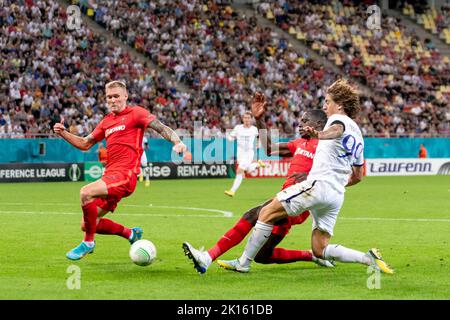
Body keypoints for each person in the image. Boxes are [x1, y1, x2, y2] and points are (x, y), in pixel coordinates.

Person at [216, 79, 394, 274]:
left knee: (266, 212)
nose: (325, 106)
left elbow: (335, 130)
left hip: (318, 186)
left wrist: (319, 134)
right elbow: (358, 176)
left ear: (340, 105)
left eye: (327, 101)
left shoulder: (339, 121)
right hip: (336, 195)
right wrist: (337, 184)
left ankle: (243, 262)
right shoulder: (358, 133)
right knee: (320, 249)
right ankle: (368, 259)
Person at [182, 93, 332, 274]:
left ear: (317, 125)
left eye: (305, 120)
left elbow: (338, 174)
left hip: (301, 201)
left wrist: (312, 179)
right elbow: (269, 149)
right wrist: (259, 120)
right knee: (263, 256)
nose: (299, 124)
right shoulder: (299, 143)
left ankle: (207, 257)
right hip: (286, 199)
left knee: (253, 214)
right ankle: (311, 255)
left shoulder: (326, 147)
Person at [53, 80, 187, 260]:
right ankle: (131, 234)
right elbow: (85, 143)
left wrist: (177, 142)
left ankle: (88, 243)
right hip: (110, 177)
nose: (112, 100)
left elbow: (161, 128)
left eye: (116, 96)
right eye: (109, 97)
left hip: (126, 175)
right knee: (88, 224)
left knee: (85, 193)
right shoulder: (107, 121)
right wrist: (63, 133)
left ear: (125, 96)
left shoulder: (136, 113)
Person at [224, 111, 266, 197]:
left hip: (249, 153)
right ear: (243, 119)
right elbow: (231, 136)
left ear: (251, 119)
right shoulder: (238, 128)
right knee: (246, 170)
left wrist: (259, 144)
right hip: (240, 153)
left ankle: (232, 191)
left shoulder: (254, 129)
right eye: (245, 118)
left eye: (248, 118)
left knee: (239, 170)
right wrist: (229, 138)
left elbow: (260, 136)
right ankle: (257, 164)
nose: (246, 119)